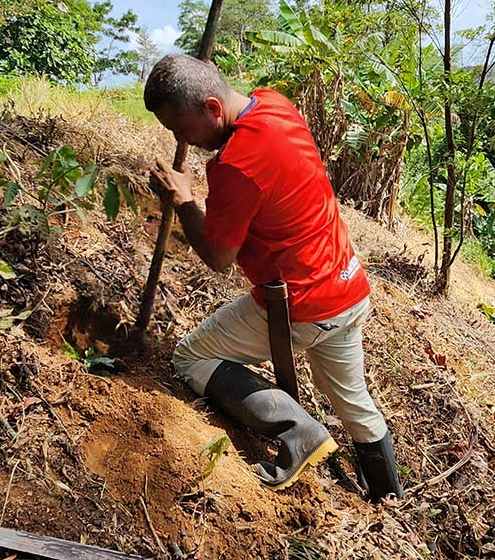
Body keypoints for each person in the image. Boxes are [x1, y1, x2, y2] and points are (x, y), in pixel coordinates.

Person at [144, 54, 403, 501]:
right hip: (346, 286)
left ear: (211, 107)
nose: (179, 138)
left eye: (181, 128)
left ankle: (299, 432)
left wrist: (184, 201)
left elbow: (219, 256)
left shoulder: (234, 165)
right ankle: (388, 496)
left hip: (298, 305)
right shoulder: (274, 104)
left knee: (190, 357)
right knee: (354, 401)